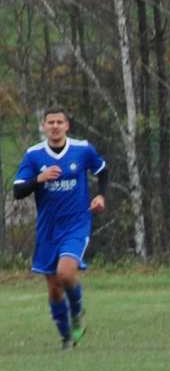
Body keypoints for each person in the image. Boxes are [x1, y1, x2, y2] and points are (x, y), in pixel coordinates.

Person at [12, 107, 108, 349]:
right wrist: (39, 180)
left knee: (66, 273)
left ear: (67, 126)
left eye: (59, 122)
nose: (55, 126)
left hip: (76, 224)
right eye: (50, 122)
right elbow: (18, 190)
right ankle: (66, 337)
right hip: (47, 229)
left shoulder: (82, 149)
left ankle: (77, 312)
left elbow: (102, 170)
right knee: (54, 287)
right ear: (44, 127)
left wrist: (101, 196)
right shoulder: (34, 155)